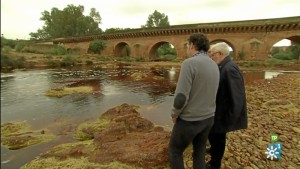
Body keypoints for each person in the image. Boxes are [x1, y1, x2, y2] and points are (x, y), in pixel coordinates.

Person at [168, 33, 220, 169]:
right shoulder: (214, 64)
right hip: (208, 118)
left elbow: (181, 97)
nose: (186, 48)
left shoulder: (189, 63)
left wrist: (174, 114)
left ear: (192, 45)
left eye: (187, 45)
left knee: (175, 151)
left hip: (190, 121)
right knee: (200, 151)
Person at [206, 42, 248, 169]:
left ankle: (215, 163)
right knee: (213, 134)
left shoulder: (230, 68)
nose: (211, 57)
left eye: (212, 55)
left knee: (218, 136)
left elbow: (237, 96)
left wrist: (231, 118)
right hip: (219, 111)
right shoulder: (224, 66)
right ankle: (213, 150)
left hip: (224, 113)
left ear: (220, 54)